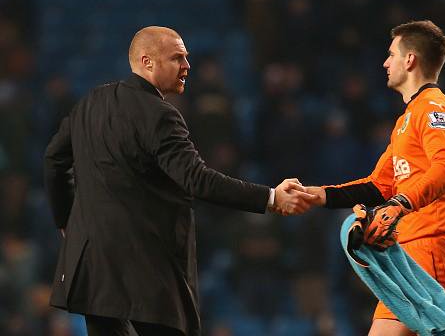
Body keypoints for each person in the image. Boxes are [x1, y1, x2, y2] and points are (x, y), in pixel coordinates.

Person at [43, 26, 317, 336]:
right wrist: (270, 197)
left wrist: (65, 219)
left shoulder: (90, 103)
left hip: (93, 264)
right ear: (148, 62)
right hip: (145, 267)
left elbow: (54, 159)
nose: (187, 66)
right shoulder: (160, 114)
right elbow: (197, 180)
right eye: (177, 58)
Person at [303, 20, 445, 336]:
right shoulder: (406, 120)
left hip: (437, 248)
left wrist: (399, 204)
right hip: (410, 258)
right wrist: (320, 195)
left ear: (410, 60)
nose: (385, 63)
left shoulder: (434, 108)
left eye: (391, 54)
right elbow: (379, 185)